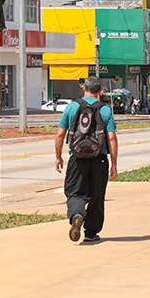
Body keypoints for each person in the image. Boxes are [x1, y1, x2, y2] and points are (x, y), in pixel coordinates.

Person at [55, 77, 119, 243]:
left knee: (74, 192)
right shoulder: (105, 110)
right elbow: (111, 138)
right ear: (100, 91)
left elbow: (60, 134)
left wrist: (58, 157)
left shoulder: (72, 107)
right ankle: (90, 233)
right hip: (100, 159)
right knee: (97, 196)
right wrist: (114, 164)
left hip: (76, 158)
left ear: (83, 88)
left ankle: (77, 214)